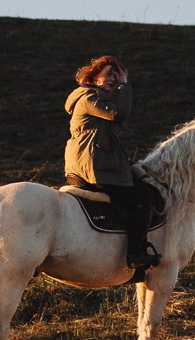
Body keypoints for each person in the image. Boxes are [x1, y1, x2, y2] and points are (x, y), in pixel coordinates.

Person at [65, 56, 159, 274]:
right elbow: (119, 114)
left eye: (116, 76)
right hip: (93, 169)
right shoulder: (88, 97)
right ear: (94, 76)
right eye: (108, 74)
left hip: (91, 164)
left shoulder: (97, 98)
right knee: (141, 200)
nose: (112, 80)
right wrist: (125, 85)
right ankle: (136, 254)